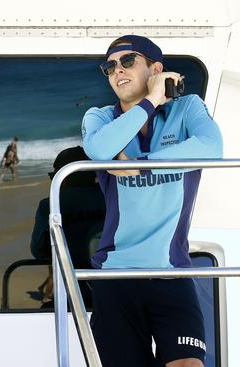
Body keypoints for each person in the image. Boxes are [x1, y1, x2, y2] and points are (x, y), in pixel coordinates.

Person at [82, 35, 223, 367]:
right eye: (110, 66)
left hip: (171, 271)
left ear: (156, 69)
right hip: (115, 274)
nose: (118, 71)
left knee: (188, 364)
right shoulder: (99, 118)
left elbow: (212, 148)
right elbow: (100, 150)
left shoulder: (187, 108)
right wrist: (151, 100)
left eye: (128, 61)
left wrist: (141, 162)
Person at [29, 146, 105, 307]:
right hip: (115, 287)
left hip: (71, 293)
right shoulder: (112, 197)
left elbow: (38, 250)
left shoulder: (50, 205)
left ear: (63, 177)